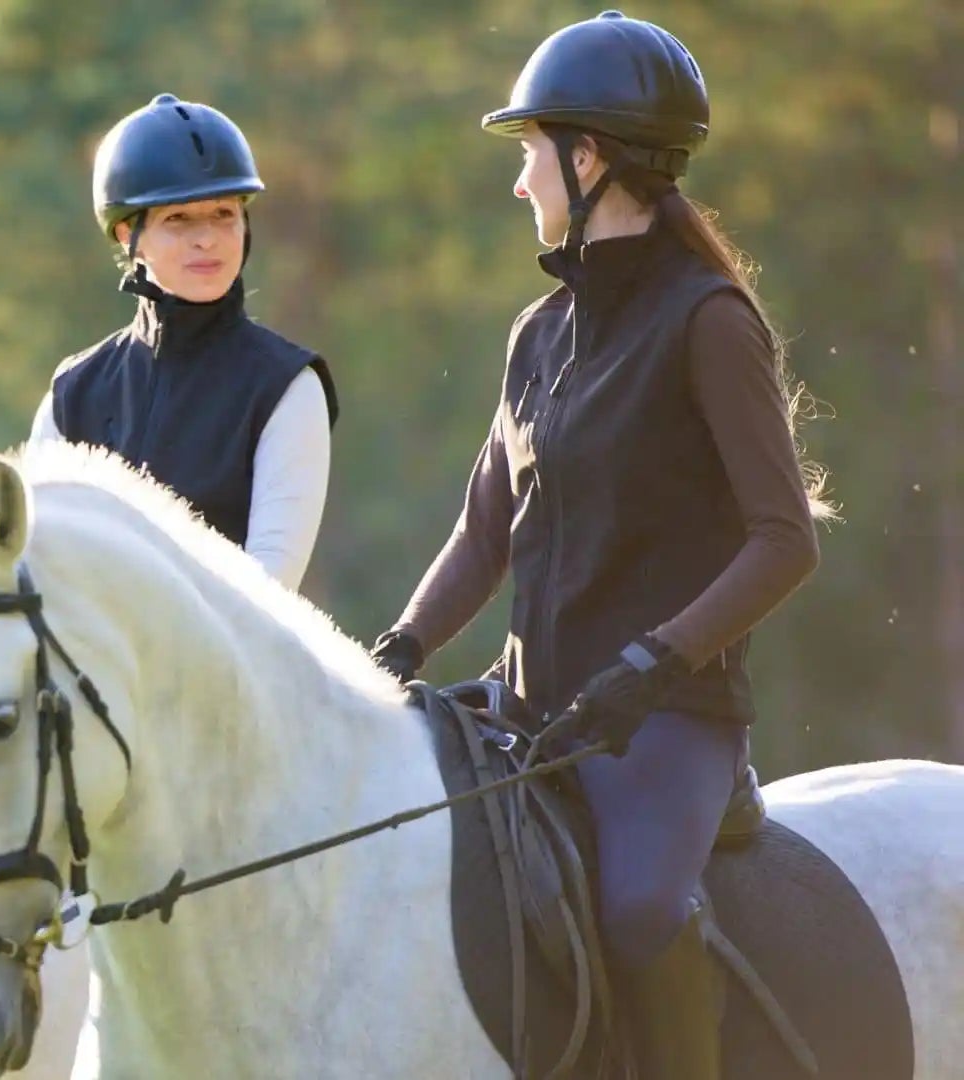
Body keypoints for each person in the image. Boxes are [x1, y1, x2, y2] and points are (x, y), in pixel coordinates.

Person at [367, 12, 830, 1078]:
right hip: (534, 706)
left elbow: (784, 540)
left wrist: (655, 662)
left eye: (530, 155)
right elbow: (485, 533)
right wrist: (399, 647)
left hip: (666, 717)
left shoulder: (710, 320)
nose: (517, 182)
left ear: (588, 159)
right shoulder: (537, 335)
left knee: (635, 914)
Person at [29, 93, 339, 591]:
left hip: (232, 664)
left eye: (223, 214)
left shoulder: (287, 385)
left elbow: (268, 593)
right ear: (129, 232)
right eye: (179, 220)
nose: (208, 239)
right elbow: (39, 567)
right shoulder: (71, 394)